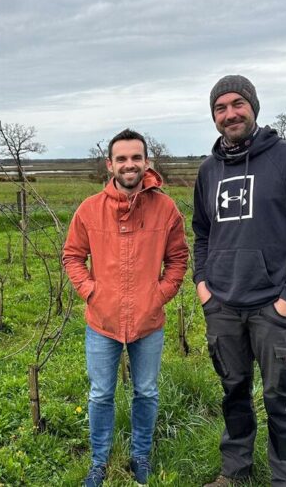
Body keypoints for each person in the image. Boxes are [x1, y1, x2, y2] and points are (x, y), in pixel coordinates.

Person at [192, 75, 286, 487]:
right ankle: (234, 471)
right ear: (214, 116)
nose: (230, 113)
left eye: (237, 104)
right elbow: (201, 232)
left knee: (280, 398)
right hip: (223, 307)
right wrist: (203, 287)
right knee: (233, 393)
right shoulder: (208, 171)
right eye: (220, 107)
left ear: (253, 106)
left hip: (273, 306)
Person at [63, 128, 189, 487]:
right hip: (101, 320)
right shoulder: (89, 210)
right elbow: (72, 255)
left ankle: (140, 456)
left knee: (145, 391)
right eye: (122, 158)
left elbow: (178, 258)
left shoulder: (166, 209)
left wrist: (159, 294)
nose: (129, 164)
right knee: (101, 393)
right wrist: (90, 291)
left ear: (146, 162)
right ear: (110, 164)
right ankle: (99, 462)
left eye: (136, 158)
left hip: (148, 322)